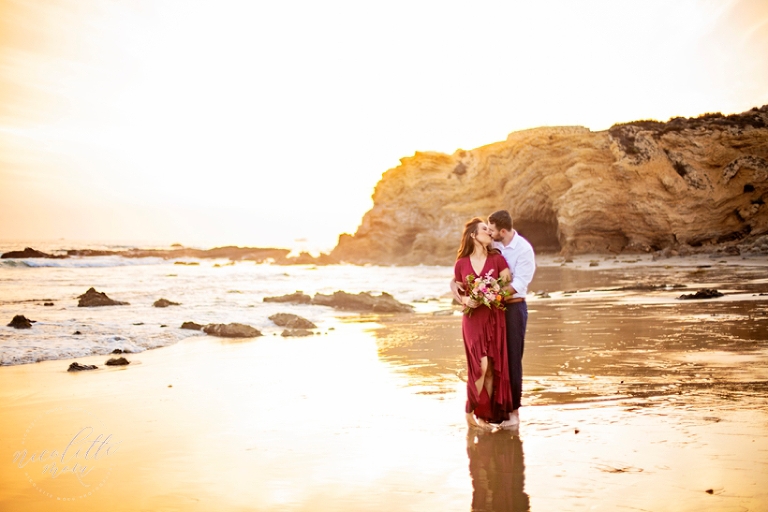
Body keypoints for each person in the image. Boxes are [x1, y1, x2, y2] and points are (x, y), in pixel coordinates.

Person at [451, 217, 514, 430]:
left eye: (489, 229)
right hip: (472, 319)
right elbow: (457, 288)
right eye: (484, 230)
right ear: (474, 236)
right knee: (480, 365)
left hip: (494, 316)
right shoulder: (461, 263)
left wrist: (492, 289)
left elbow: (506, 279)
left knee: (490, 369)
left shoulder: (497, 258)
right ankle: (469, 411)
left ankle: (483, 416)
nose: (489, 232)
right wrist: (466, 299)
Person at [487, 210, 535, 428]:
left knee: (513, 359)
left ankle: (514, 411)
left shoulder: (524, 249)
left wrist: (492, 295)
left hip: (514, 309)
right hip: (492, 310)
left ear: (503, 231)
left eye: (492, 230)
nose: (489, 232)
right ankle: (496, 408)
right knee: (494, 359)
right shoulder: (492, 246)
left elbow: (519, 285)